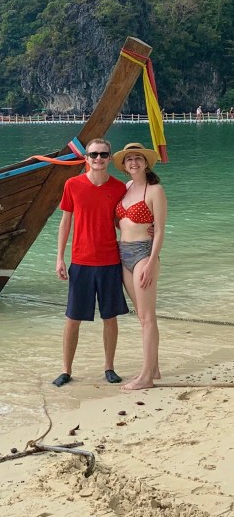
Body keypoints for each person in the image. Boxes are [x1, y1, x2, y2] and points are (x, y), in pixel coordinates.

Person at [53, 138, 129, 387]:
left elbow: (122, 222)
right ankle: (66, 370)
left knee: (110, 317)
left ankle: (109, 368)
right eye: (94, 154)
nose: (98, 159)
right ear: (86, 158)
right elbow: (65, 221)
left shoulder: (119, 188)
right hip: (81, 261)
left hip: (110, 261)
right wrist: (59, 258)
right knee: (72, 318)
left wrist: (144, 231)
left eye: (103, 154)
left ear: (110, 158)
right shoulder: (72, 184)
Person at [112, 142, 167, 391]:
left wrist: (152, 261)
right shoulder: (125, 188)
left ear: (146, 163)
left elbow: (160, 231)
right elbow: (121, 222)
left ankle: (146, 378)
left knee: (147, 317)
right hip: (123, 253)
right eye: (129, 159)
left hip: (144, 254)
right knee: (142, 317)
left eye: (138, 158)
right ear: (124, 166)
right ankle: (153, 368)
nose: (133, 162)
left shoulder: (155, 190)